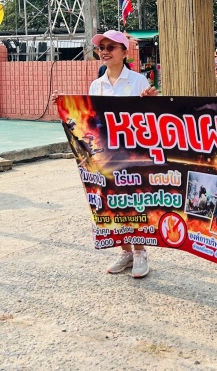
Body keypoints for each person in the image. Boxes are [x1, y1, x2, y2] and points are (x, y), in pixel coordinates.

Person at [51, 30, 157, 278]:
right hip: (105, 156)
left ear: (124, 52)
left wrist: (151, 102)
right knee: (114, 203)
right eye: (102, 48)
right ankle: (125, 252)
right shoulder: (96, 85)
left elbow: (151, 120)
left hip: (132, 154)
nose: (105, 51)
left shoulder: (138, 81)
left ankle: (140, 252)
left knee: (135, 203)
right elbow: (89, 120)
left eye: (111, 47)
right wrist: (64, 104)